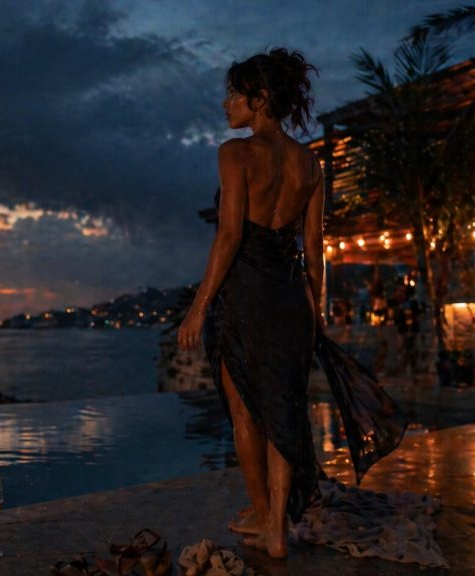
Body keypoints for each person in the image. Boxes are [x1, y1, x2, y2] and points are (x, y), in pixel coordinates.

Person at [176, 48, 324, 559]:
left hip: (245, 298)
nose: (226, 103)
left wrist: (199, 306)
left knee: (245, 415)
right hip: (291, 299)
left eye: (235, 94)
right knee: (284, 412)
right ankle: (278, 530)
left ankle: (264, 515)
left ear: (259, 100)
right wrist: (318, 311)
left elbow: (230, 234)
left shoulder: (234, 153)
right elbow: (314, 249)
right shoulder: (311, 163)